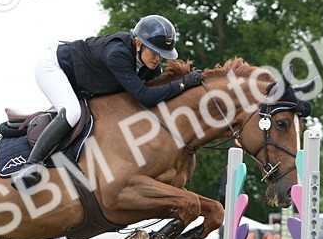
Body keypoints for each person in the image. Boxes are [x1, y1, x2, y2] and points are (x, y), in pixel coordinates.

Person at [11, 14, 205, 191]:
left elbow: (157, 96)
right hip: (54, 68)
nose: (158, 58)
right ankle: (31, 166)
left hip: (82, 80)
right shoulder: (118, 53)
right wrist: (182, 84)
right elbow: (144, 96)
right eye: (154, 52)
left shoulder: (150, 65)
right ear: (138, 44)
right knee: (72, 112)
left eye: (162, 54)